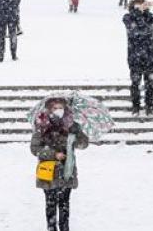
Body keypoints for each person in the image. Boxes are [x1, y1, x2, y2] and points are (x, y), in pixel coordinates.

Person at [31, 98, 89, 231]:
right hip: (49, 171)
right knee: (50, 206)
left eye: (61, 107)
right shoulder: (41, 124)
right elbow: (35, 149)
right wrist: (53, 154)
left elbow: (83, 144)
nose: (59, 110)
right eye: (55, 107)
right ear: (49, 109)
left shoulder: (71, 125)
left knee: (64, 206)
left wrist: (78, 132)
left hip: (66, 171)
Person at [122, 0, 153, 116]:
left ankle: (149, 106)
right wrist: (139, 11)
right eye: (137, 6)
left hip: (149, 54)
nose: (140, 8)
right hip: (134, 55)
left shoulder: (148, 16)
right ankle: (135, 107)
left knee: (150, 83)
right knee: (135, 83)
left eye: (142, 5)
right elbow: (133, 25)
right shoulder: (128, 17)